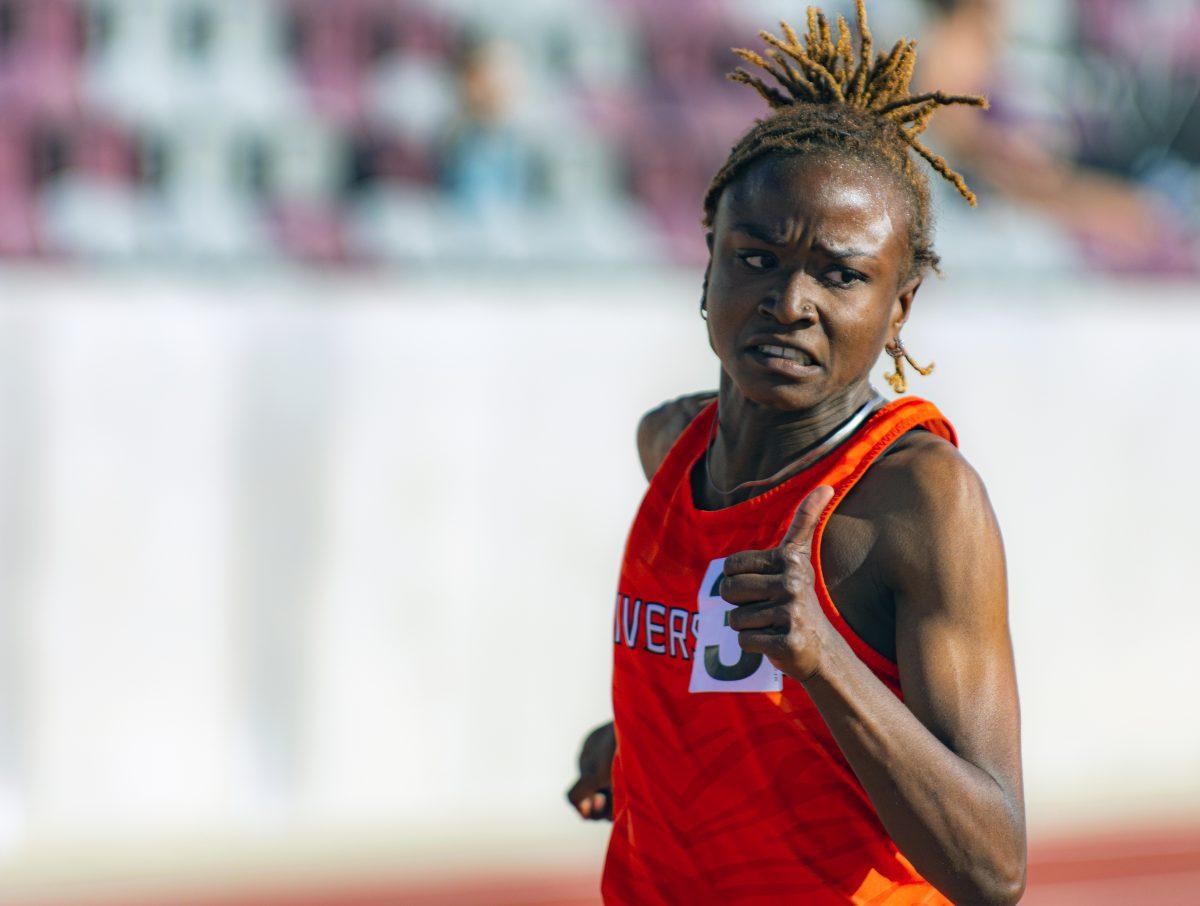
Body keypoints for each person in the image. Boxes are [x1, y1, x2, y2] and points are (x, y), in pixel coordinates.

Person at [565, 4, 1025, 903]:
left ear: (900, 310)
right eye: (758, 257)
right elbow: (729, 685)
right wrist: (637, 737)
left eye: (841, 274)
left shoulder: (916, 502)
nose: (789, 301)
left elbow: (993, 865)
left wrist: (824, 659)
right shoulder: (671, 447)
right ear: (707, 269)